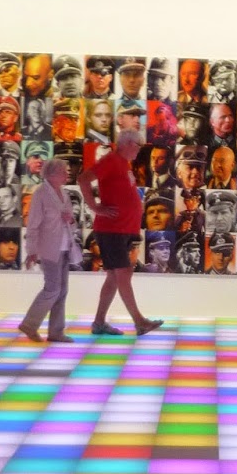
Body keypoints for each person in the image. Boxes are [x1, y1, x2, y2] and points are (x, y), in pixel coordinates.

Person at [75, 131, 162, 337]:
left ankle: (99, 322)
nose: (139, 150)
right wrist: (94, 207)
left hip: (121, 230)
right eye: (138, 145)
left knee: (115, 277)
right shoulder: (112, 160)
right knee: (123, 274)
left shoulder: (123, 163)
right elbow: (83, 179)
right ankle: (139, 321)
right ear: (127, 143)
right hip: (112, 229)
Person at [17, 158, 77, 341]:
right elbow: (33, 225)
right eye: (63, 171)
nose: (66, 174)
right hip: (49, 248)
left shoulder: (64, 193)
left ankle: (56, 331)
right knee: (52, 289)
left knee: (62, 290)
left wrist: (70, 220)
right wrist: (32, 250)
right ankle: (29, 324)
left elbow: (72, 222)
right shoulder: (41, 194)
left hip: (65, 247)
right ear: (52, 174)